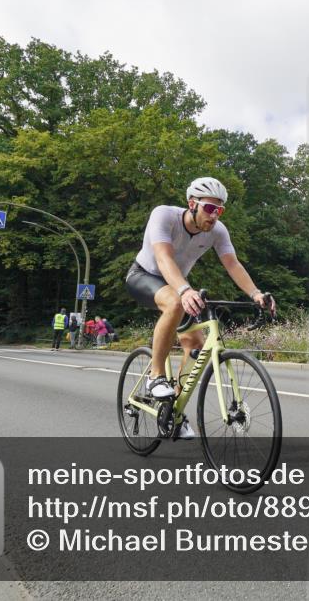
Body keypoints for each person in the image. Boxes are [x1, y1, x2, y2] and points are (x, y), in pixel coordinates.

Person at [125, 176, 276, 440]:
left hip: (178, 283)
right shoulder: (164, 216)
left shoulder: (218, 231)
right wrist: (184, 291)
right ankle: (156, 375)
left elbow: (233, 265)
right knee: (173, 302)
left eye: (220, 210)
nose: (214, 215)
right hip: (144, 276)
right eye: (209, 208)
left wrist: (255, 294)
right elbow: (163, 257)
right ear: (192, 204)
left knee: (195, 344)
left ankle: (174, 412)